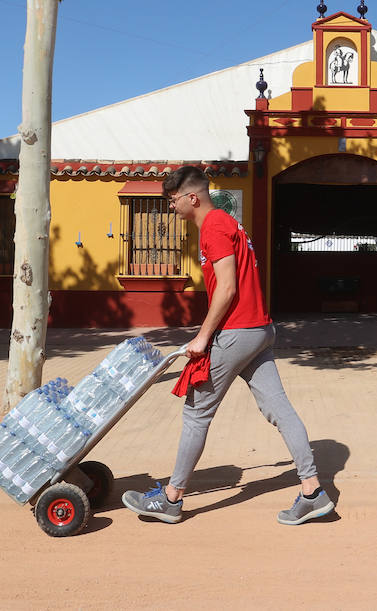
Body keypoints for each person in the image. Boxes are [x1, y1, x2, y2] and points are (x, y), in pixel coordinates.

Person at [122, 166, 335, 526]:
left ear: (192, 198)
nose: (171, 207)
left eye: (173, 200)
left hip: (237, 331)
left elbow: (227, 287)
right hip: (258, 329)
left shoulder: (214, 227)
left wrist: (203, 336)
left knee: (196, 413)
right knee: (279, 409)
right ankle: (313, 492)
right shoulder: (227, 223)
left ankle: (171, 499)